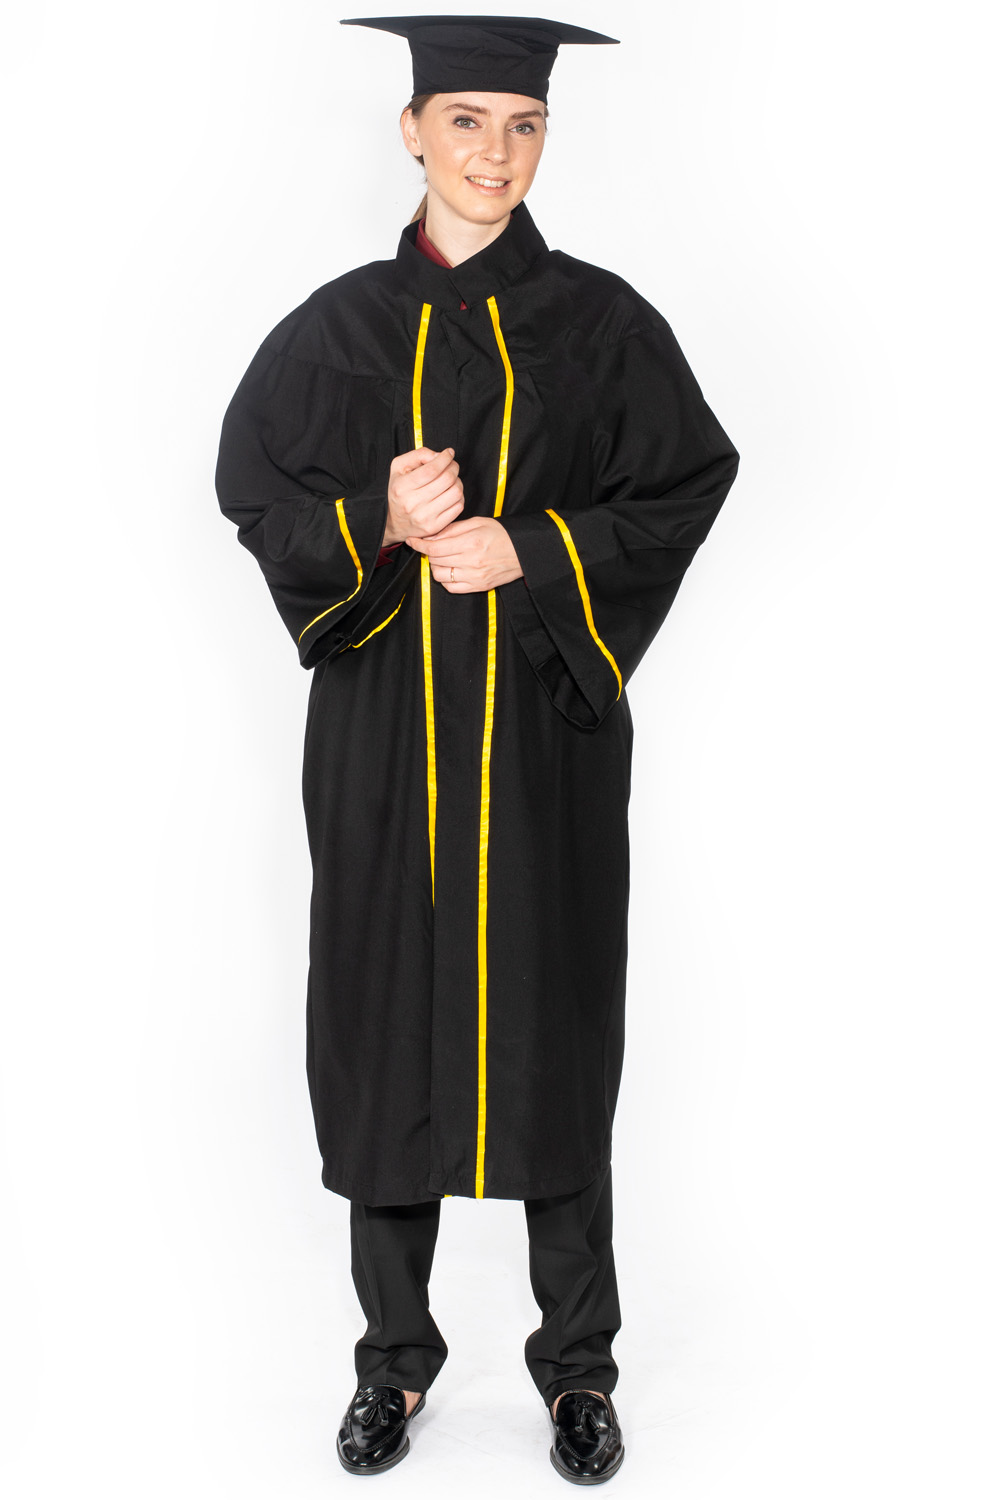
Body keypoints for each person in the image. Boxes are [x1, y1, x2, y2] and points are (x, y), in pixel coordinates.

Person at [215, 12, 740, 1484]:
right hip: (385, 745)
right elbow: (254, 494)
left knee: (556, 1039)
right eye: (465, 121)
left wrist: (537, 547)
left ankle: (579, 1373)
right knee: (388, 1037)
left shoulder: (605, 326)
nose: (494, 155)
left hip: (542, 748)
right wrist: (376, 522)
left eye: (522, 126)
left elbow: (688, 482)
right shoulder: (337, 332)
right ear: (411, 131)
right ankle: (393, 1365)